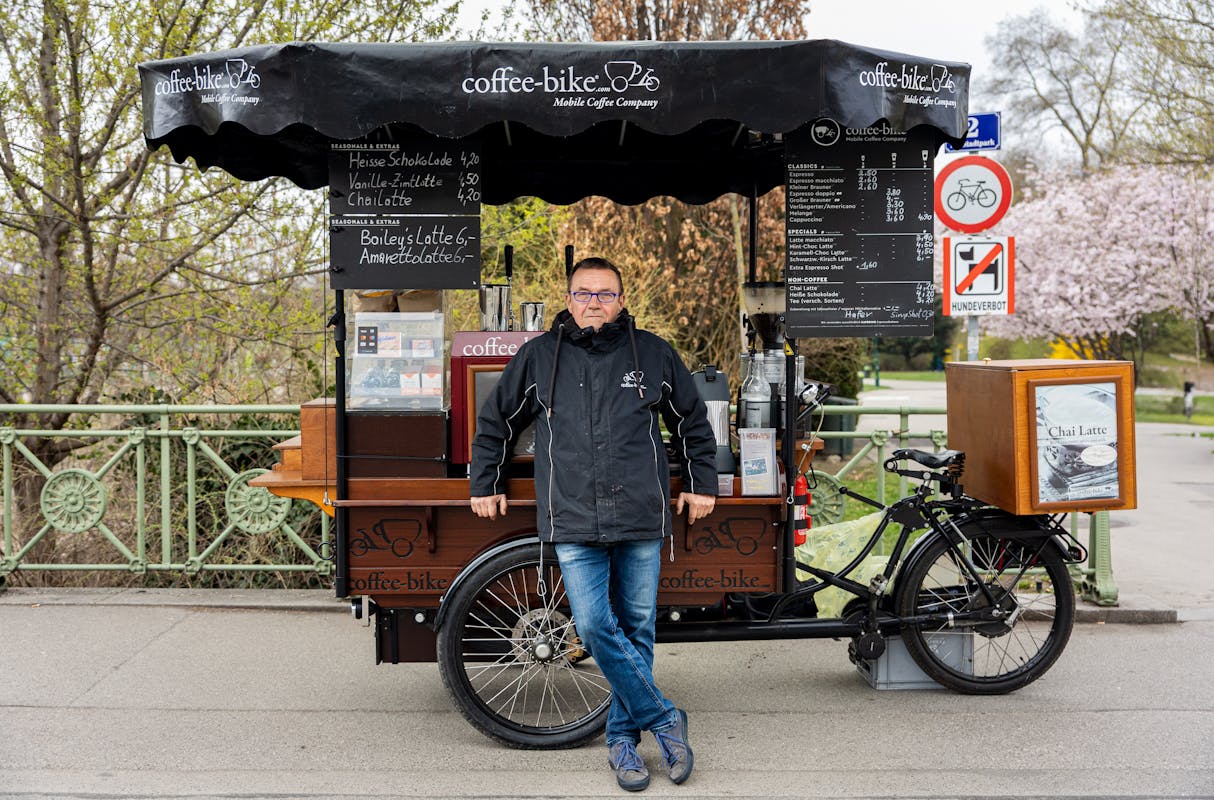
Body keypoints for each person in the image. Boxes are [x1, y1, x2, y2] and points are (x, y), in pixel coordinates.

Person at [469, 257, 718, 792]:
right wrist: (483, 483)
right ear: (568, 297)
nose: (594, 303)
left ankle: (622, 743)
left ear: (622, 300)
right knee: (593, 627)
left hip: (641, 513)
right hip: (573, 515)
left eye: (605, 294)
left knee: (638, 630)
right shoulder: (539, 357)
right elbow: (496, 422)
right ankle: (665, 719)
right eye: (584, 293)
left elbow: (692, 422)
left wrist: (701, 482)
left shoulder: (652, 353)